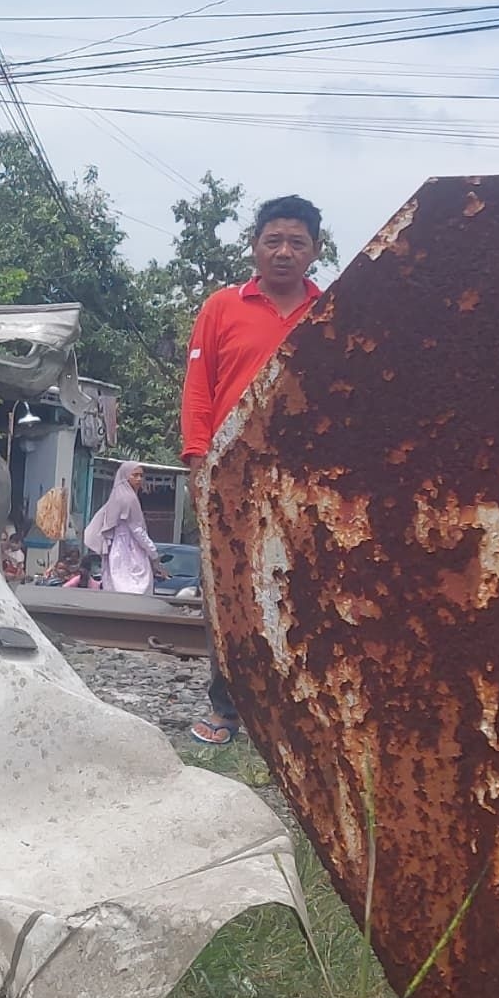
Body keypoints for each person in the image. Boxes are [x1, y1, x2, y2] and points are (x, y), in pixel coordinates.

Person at [177, 194, 326, 745]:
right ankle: (226, 710)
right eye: (273, 240)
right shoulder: (222, 307)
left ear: (314, 251)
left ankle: (295, 717)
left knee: (303, 593)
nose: (284, 252)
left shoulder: (331, 311)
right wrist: (197, 461)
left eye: (297, 243)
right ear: (255, 246)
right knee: (228, 592)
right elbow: (199, 389)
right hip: (229, 476)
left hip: (303, 478)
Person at [86, 459, 161, 596]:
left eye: (141, 475)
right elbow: (137, 530)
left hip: (116, 549)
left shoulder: (116, 496)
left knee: (117, 586)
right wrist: (153, 553)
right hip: (130, 550)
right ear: (125, 476)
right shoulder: (129, 498)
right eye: (135, 475)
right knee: (135, 587)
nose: (139, 479)